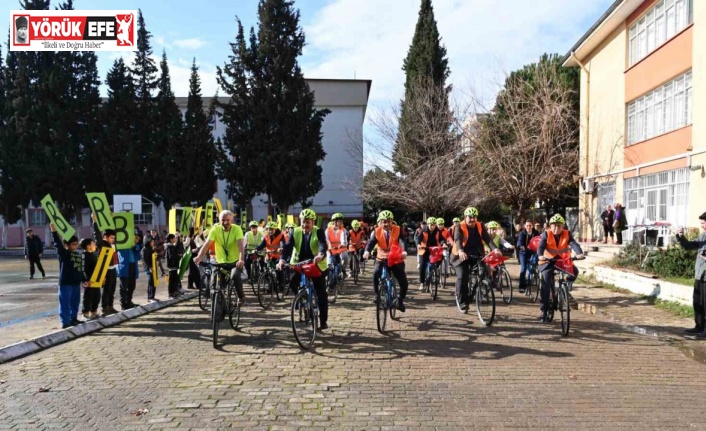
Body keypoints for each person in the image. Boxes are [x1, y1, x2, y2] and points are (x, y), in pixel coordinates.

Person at [278, 209, 330, 329]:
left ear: (313, 222)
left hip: (315, 263)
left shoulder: (319, 231)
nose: (305, 225)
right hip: (298, 263)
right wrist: (282, 259)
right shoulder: (295, 231)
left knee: (321, 292)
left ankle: (323, 321)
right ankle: (302, 298)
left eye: (307, 222)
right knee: (291, 279)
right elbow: (287, 247)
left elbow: (323, 244)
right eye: (303, 222)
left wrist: (320, 255)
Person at [451, 207, 500, 312]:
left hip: (476, 254)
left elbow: (488, 239)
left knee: (486, 270)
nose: (472, 220)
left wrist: (495, 249)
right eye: (470, 217)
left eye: (474, 217)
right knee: (463, 277)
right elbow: (458, 240)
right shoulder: (459, 226)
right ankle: (462, 302)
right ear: (465, 217)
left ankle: (482, 289)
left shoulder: (480, 225)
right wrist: (460, 251)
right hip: (460, 256)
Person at [537, 214, 585, 322]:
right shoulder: (546, 234)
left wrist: (579, 253)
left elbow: (573, 243)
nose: (556, 228)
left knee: (575, 271)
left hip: (562, 261)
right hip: (548, 261)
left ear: (562, 226)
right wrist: (540, 255)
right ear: (550, 226)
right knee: (545, 284)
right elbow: (541, 246)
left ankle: (566, 289)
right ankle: (543, 311)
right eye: (554, 226)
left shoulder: (567, 234)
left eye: (559, 226)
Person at [193, 210, 246, 303]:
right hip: (220, 262)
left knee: (234, 276)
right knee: (215, 285)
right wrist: (199, 256)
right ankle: (219, 306)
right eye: (223, 220)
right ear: (219, 220)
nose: (225, 222)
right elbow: (206, 244)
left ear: (232, 220)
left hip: (235, 262)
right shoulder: (215, 229)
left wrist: (241, 260)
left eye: (227, 220)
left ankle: (241, 297)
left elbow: (240, 246)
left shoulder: (237, 229)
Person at [363, 210, 409, 312]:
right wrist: (367, 251)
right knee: (375, 273)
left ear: (392, 221)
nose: (386, 224)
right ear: (380, 222)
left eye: (389, 221)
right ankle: (377, 295)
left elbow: (402, 241)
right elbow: (371, 243)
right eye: (384, 221)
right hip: (381, 258)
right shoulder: (377, 231)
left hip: (395, 258)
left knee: (404, 283)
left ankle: (400, 301)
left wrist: (404, 251)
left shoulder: (398, 229)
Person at [50, 224, 85, 329]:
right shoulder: (64, 254)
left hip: (76, 283)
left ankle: (73, 318)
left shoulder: (78, 255)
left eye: (76, 244)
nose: (75, 246)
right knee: (65, 303)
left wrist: (84, 280)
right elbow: (58, 244)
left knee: (75, 302)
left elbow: (80, 269)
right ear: (67, 245)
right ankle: (65, 321)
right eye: (73, 244)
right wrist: (54, 232)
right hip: (65, 283)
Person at [676, 212, 706, 336]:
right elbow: (689, 246)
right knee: (697, 301)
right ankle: (699, 326)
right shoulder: (703, 236)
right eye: (702, 223)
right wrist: (681, 236)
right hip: (700, 275)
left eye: (703, 223)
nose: (702, 226)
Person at [92, 214, 119, 316]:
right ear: (105, 237)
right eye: (111, 238)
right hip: (105, 270)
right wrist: (94, 221)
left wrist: (111, 219)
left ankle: (110, 306)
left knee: (112, 288)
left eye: (113, 238)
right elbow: (97, 235)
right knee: (106, 289)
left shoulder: (112, 244)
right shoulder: (102, 243)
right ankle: (104, 308)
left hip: (113, 268)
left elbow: (113, 231)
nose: (113, 239)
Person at [416, 217, 445, 291]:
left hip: (434, 249)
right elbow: (418, 238)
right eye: (430, 225)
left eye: (433, 225)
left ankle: (435, 271)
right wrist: (419, 244)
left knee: (440, 259)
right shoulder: (423, 230)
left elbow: (441, 239)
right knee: (422, 266)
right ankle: (422, 283)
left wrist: (443, 244)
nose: (432, 226)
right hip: (424, 250)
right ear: (427, 224)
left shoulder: (437, 231)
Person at [256, 221, 286, 288]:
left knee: (278, 270)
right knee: (266, 271)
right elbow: (262, 245)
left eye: (272, 229)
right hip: (268, 256)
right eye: (269, 229)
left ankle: (281, 284)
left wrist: (281, 248)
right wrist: (256, 249)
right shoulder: (266, 236)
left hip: (277, 256)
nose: (270, 231)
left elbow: (282, 243)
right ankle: (271, 285)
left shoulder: (280, 235)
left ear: (275, 229)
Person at [117, 231, 142, 310]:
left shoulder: (135, 247)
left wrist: (135, 246)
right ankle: (123, 303)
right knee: (124, 286)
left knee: (132, 286)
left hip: (133, 266)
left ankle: (129, 301)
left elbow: (139, 257)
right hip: (124, 267)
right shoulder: (122, 245)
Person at [517, 220, 540, 293]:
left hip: (533, 251)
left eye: (530, 225)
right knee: (523, 269)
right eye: (527, 225)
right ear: (524, 226)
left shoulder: (536, 233)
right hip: (524, 252)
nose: (529, 227)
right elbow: (519, 242)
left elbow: (540, 240)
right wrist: (521, 246)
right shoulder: (522, 233)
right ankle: (521, 286)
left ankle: (534, 275)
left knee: (536, 263)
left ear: (532, 226)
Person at [80, 238, 100, 320]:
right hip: (89, 281)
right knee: (88, 297)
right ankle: (85, 313)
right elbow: (83, 268)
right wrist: (85, 280)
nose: (95, 246)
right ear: (88, 246)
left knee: (97, 296)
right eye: (93, 244)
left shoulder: (94, 255)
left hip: (96, 280)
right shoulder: (84, 255)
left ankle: (94, 312)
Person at [326, 213, 350, 280]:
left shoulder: (343, 230)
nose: (341, 222)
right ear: (334, 221)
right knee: (329, 265)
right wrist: (329, 245)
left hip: (341, 248)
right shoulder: (328, 230)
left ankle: (343, 270)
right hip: (331, 249)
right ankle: (328, 281)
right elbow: (326, 239)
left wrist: (342, 244)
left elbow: (344, 238)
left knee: (345, 257)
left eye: (341, 221)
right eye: (339, 221)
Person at [142, 235, 158, 302]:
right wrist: (149, 267)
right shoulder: (145, 249)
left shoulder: (151, 248)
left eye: (153, 241)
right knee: (151, 282)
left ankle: (153, 296)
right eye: (151, 241)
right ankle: (150, 297)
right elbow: (145, 260)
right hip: (149, 268)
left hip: (153, 267)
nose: (153, 243)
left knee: (154, 282)